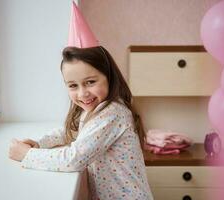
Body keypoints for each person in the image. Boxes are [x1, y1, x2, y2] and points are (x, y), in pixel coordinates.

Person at [9, 45, 153, 199]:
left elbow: (74, 159)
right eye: (73, 85)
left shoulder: (112, 113)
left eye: (90, 82)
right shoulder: (93, 109)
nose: (82, 93)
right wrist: (40, 143)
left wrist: (27, 154)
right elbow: (70, 132)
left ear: (109, 77)